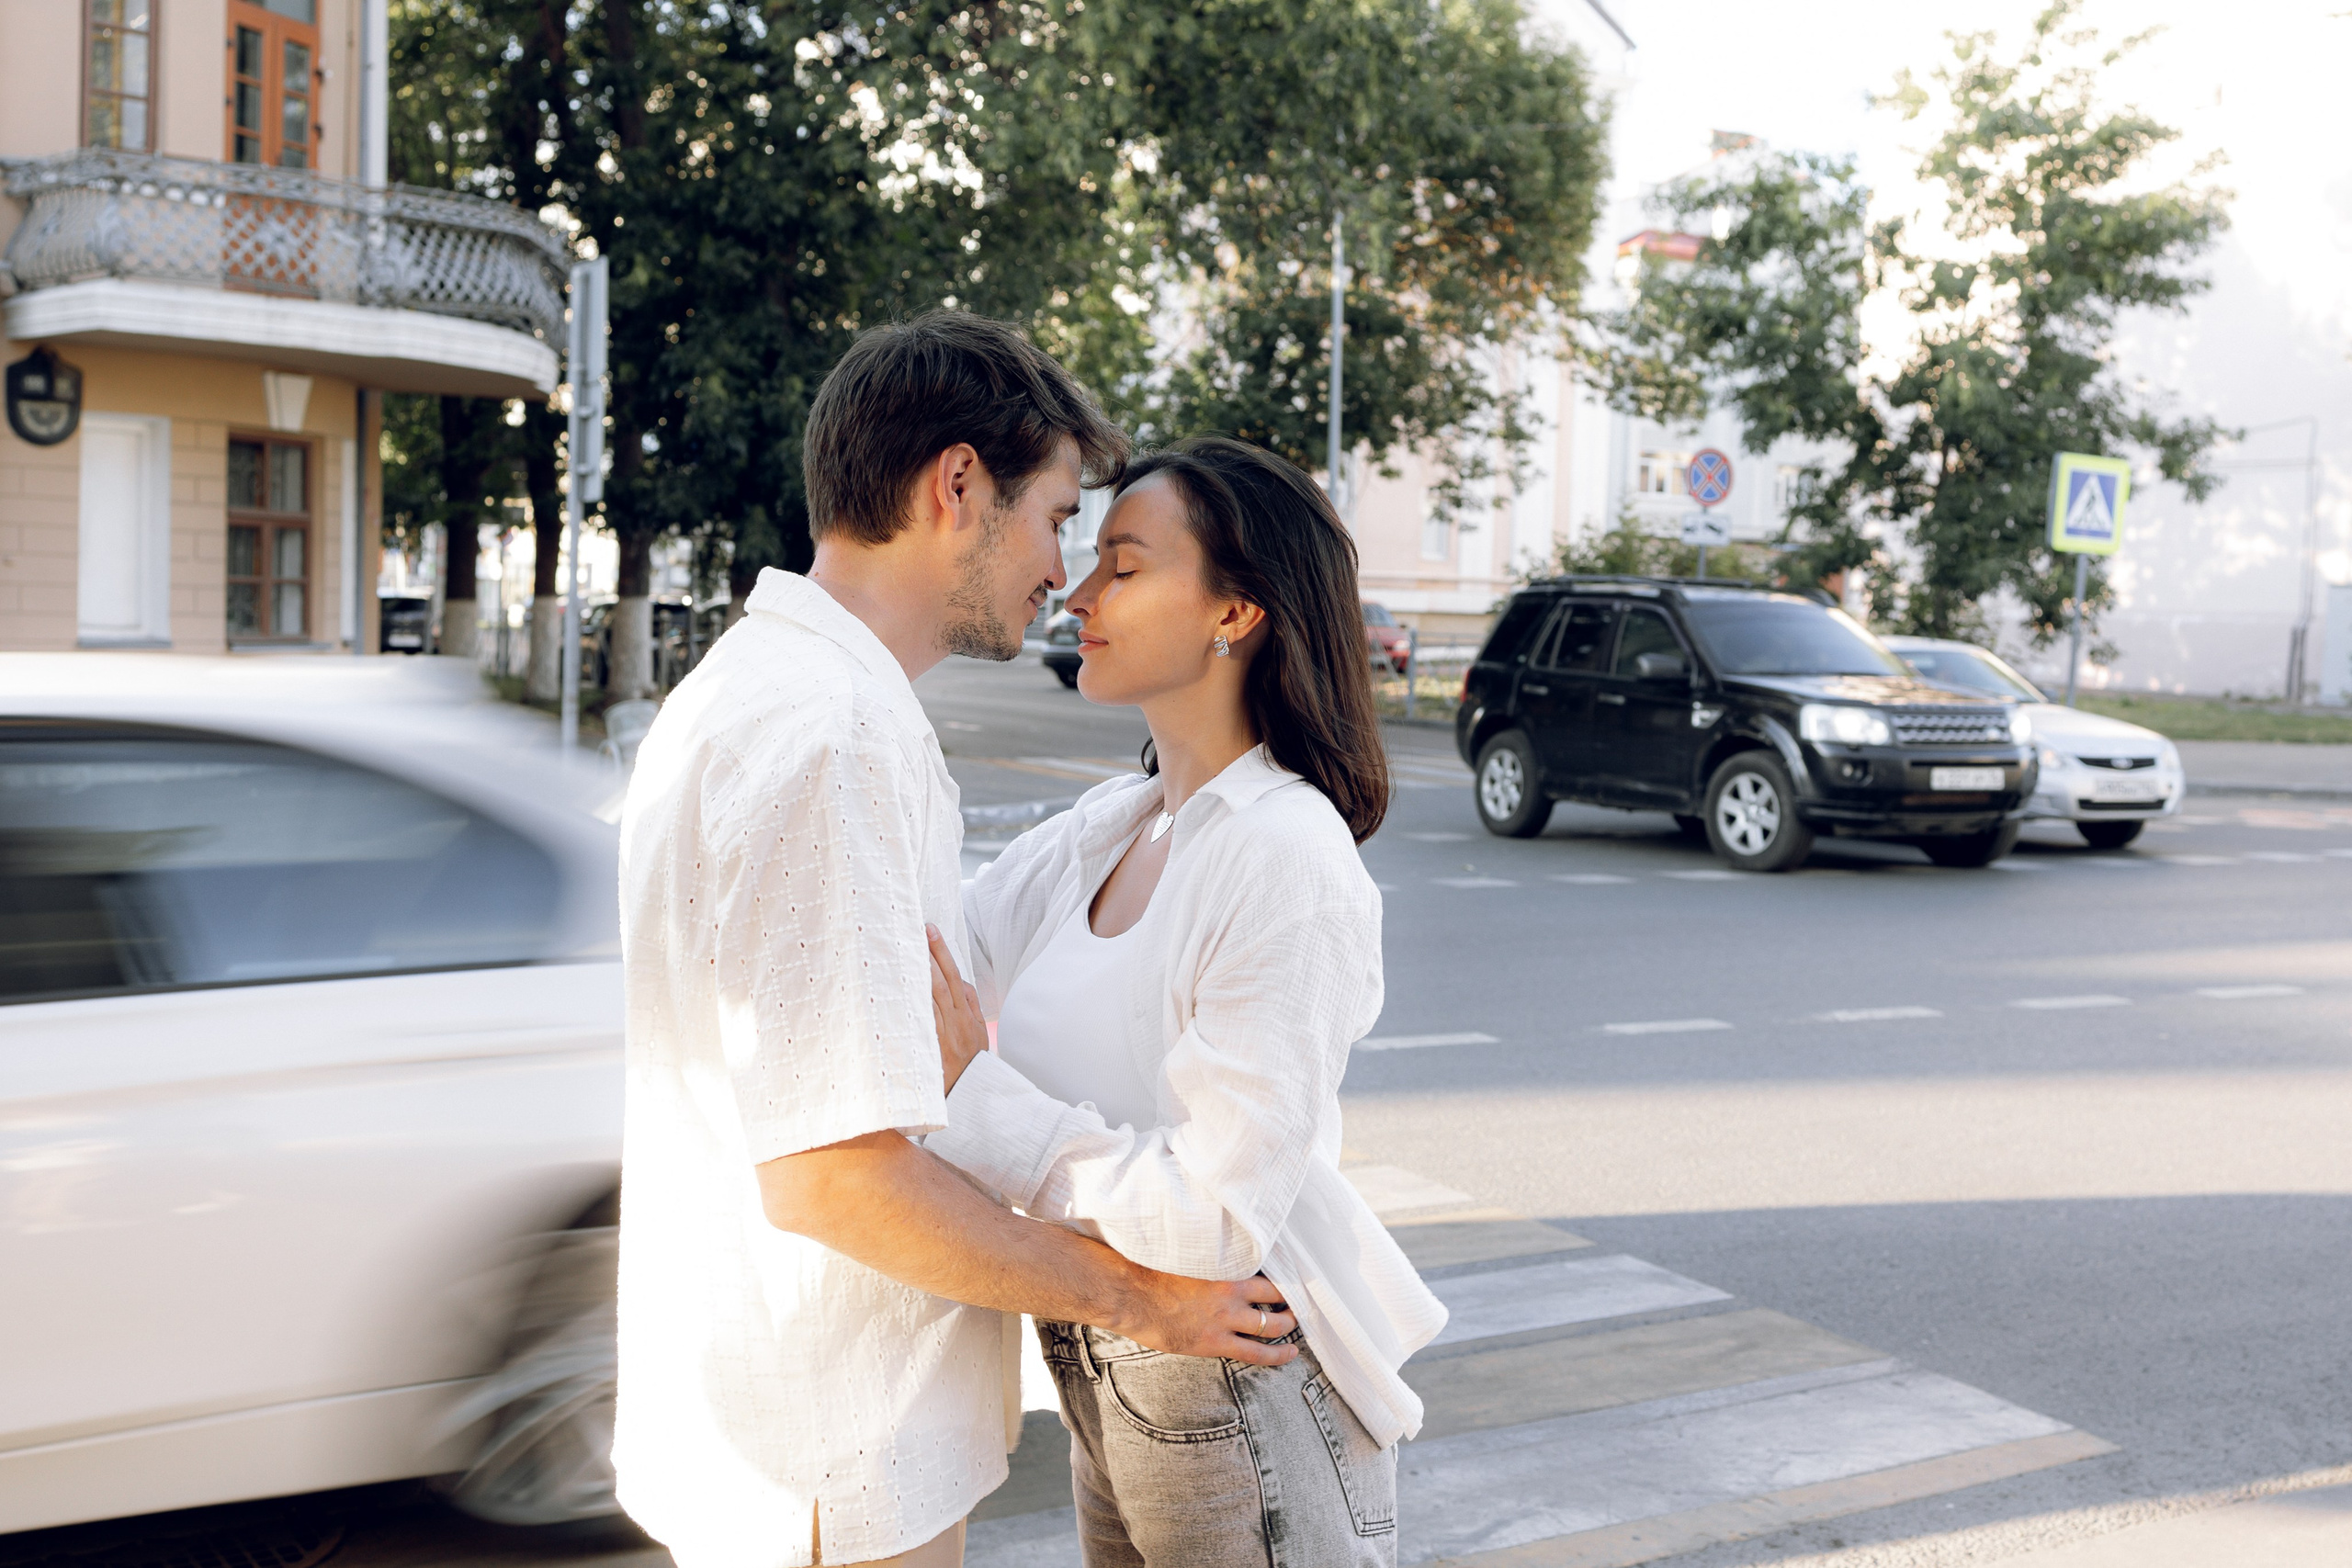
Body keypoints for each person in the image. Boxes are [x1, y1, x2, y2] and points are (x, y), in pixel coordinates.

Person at [613, 319, 1299, 1568]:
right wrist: (1146, 1297)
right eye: (1055, 515)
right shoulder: (835, 736)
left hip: (778, 1424)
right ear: (959, 484)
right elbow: (834, 1172)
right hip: (838, 1455)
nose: (1063, 570)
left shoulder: (752, 687)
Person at [922, 435, 1449, 1567]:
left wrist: (980, 1099)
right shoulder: (1120, 821)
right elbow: (940, 964)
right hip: (1110, 1339)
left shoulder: (1284, 855)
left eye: (1124, 564)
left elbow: (1215, 1221)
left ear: (1234, 614)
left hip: (1232, 1375)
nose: (1076, 591)